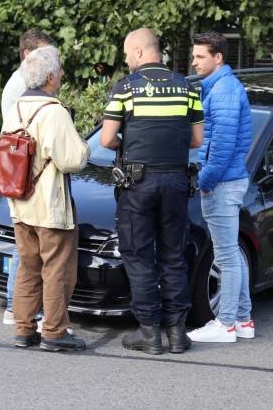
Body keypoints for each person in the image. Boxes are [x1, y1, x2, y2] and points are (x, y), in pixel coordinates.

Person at [100, 28, 204, 355]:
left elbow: (106, 139)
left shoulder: (126, 88)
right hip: (175, 181)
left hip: (138, 183)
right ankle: (177, 334)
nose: (126, 59)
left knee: (139, 255)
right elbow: (197, 140)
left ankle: (149, 333)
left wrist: (130, 143)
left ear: (141, 52)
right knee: (174, 256)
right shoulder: (187, 87)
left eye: (128, 53)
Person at [3, 45, 90, 352]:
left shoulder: (15, 108)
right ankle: (54, 331)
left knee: (28, 266)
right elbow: (72, 159)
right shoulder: (53, 112)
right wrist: (84, 145)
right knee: (57, 268)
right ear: (51, 76)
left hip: (19, 201)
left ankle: (24, 328)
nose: (63, 74)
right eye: (61, 69)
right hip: (49, 204)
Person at [187, 32, 254, 344]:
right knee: (233, 255)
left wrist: (205, 181)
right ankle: (242, 318)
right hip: (228, 181)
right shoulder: (220, 86)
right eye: (194, 56)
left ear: (218, 58)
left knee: (226, 256)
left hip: (223, 183)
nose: (194, 62)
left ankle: (225, 323)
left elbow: (223, 146)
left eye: (200, 56)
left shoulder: (224, 90)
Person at [0, 28, 55, 326]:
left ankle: (17, 305)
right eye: (44, 54)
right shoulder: (24, 86)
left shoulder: (21, 83)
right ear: (28, 55)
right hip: (25, 174)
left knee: (26, 243)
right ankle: (16, 305)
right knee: (27, 245)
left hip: (19, 172)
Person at [0, 29, 56, 121]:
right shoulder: (22, 82)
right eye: (44, 54)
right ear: (28, 55)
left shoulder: (26, 79)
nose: (50, 59)